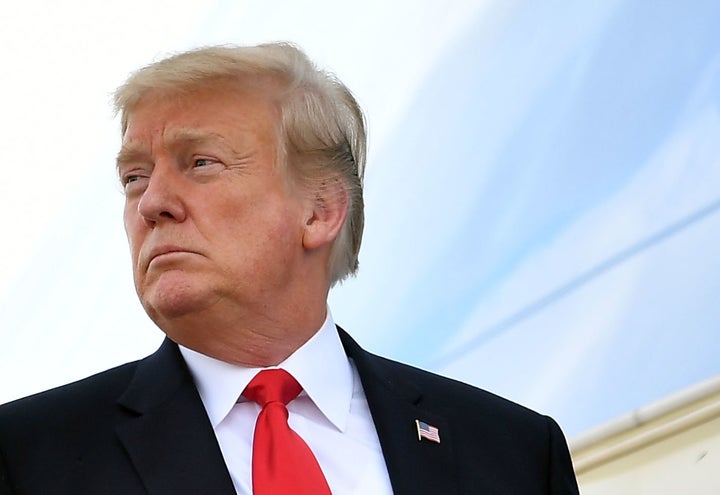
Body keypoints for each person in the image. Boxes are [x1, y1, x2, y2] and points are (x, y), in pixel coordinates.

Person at [0, 42, 579, 494]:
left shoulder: (514, 452)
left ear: (320, 210)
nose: (152, 203)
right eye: (134, 178)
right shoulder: (27, 457)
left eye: (200, 163)